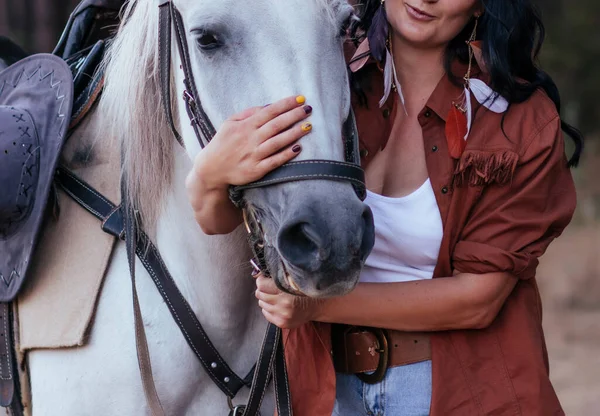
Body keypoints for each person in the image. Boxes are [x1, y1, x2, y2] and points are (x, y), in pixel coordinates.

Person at [186, 0, 583, 414]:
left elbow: (479, 299)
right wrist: (208, 173)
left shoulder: (517, 120)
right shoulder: (324, 75)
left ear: (481, 5)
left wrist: (318, 305)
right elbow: (220, 222)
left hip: (462, 391)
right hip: (327, 390)